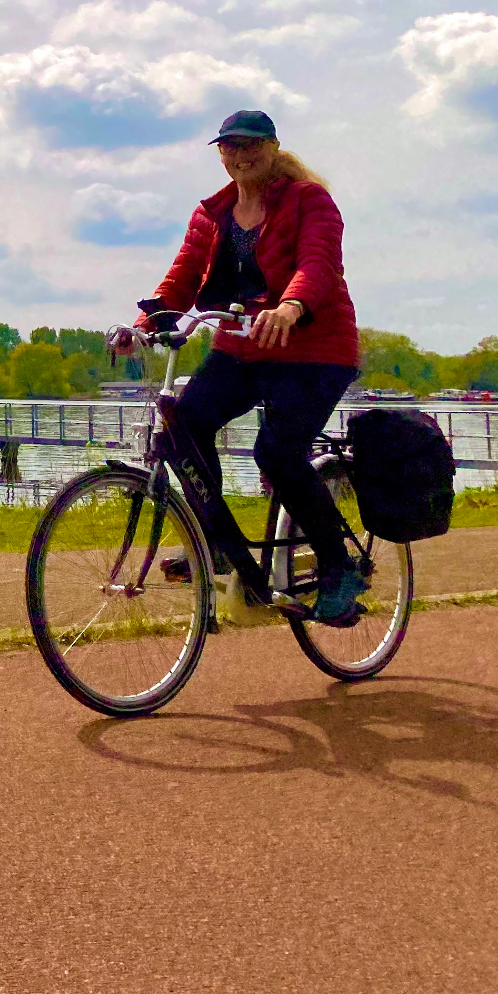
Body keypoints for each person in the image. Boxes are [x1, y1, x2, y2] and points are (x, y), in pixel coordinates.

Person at [124, 110, 365, 622]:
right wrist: (143, 325)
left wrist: (291, 307)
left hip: (313, 348)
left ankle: (340, 567)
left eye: (251, 144)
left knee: (277, 452)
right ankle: (215, 547)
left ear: (273, 146)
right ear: (219, 153)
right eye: (229, 146)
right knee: (183, 425)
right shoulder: (212, 214)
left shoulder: (309, 200)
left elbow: (317, 263)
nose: (240, 154)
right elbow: (182, 278)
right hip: (243, 346)